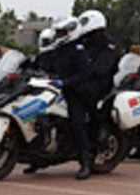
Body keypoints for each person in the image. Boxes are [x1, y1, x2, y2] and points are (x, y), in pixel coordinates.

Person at [50, 17, 93, 180]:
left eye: (61, 32)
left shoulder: (78, 49)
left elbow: (84, 73)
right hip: (58, 90)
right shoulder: (59, 49)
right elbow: (48, 66)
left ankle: (85, 163)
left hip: (76, 92)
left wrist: (66, 82)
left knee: (76, 123)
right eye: (58, 32)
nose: (59, 35)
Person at [77, 10, 120, 145]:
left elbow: (102, 68)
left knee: (87, 99)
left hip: (101, 83)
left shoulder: (108, 45)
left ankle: (98, 132)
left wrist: (85, 72)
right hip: (83, 79)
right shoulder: (84, 41)